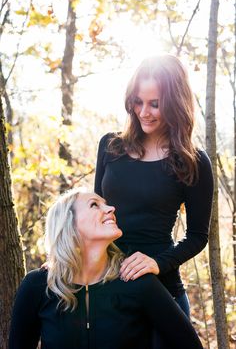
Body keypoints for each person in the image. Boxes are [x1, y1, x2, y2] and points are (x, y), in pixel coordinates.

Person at [95, 54, 214, 319]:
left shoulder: (192, 161)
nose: (143, 112)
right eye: (138, 102)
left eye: (155, 104)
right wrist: (67, 257)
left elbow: (197, 236)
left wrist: (158, 263)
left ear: (175, 104)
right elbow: (93, 214)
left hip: (162, 293)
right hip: (107, 287)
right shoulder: (110, 146)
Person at [9, 189, 204, 349]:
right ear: (69, 224)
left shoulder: (137, 281)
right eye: (94, 205)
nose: (111, 208)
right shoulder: (37, 285)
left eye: (106, 203)